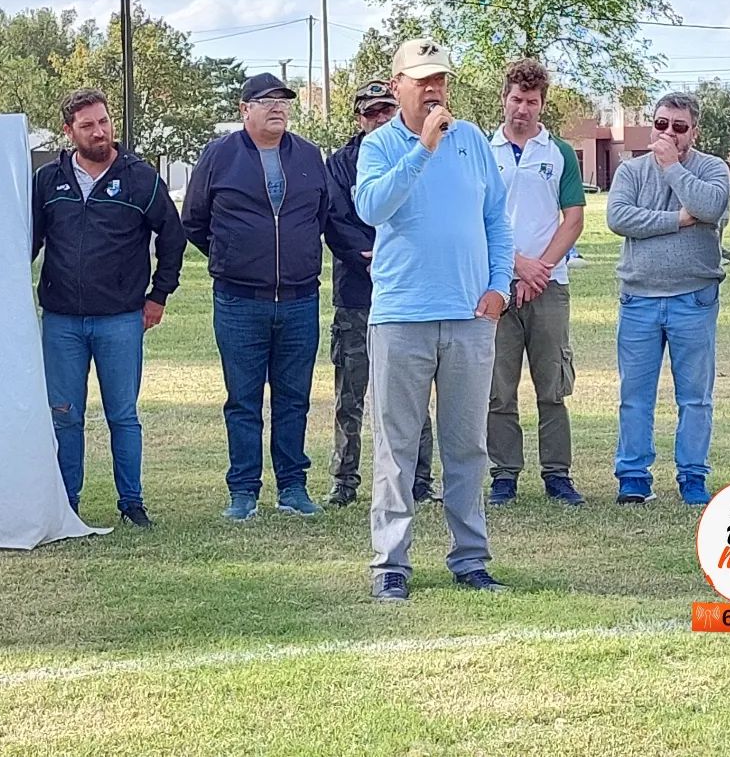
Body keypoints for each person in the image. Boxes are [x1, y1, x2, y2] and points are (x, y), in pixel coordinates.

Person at [356, 39, 514, 602]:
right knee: (397, 447)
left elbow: (496, 219)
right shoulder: (379, 145)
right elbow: (372, 207)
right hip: (402, 317)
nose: (432, 89)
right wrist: (423, 147)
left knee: (467, 445)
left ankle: (470, 558)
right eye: (421, 79)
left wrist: (499, 286)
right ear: (395, 85)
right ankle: (390, 564)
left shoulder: (471, 140)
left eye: (439, 79)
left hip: (470, 317)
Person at [32, 88, 185, 527]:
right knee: (64, 416)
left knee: (123, 415)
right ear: (68, 131)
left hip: (121, 318)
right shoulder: (47, 181)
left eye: (103, 121)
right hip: (61, 320)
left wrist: (159, 295)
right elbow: (29, 240)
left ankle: (131, 503)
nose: (99, 132)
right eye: (88, 126)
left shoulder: (140, 178)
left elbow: (172, 237)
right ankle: (66, 503)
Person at [183, 73, 330, 521]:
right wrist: (232, 256)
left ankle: (293, 487)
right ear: (244, 109)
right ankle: (243, 491)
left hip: (300, 299)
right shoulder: (219, 156)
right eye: (266, 101)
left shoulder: (309, 155)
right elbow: (194, 221)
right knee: (243, 400)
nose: (277, 107)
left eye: (283, 100)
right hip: (239, 300)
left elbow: (323, 215)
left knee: (294, 398)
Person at [605, 91, 729, 506]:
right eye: (661, 124)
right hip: (638, 298)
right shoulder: (631, 170)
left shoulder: (712, 168)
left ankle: (693, 476)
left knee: (695, 397)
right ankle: (633, 476)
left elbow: (709, 207)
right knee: (635, 396)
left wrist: (673, 167)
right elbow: (620, 218)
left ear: (694, 131)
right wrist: (678, 218)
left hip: (694, 298)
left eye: (679, 126)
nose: (669, 132)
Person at [323, 79, 437, 508]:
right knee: (350, 395)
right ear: (359, 118)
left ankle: (420, 481)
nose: (380, 117)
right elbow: (334, 219)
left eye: (386, 109)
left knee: (412, 394)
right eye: (371, 112)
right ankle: (344, 480)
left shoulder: (420, 151)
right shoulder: (340, 164)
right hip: (357, 292)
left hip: (408, 291)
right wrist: (368, 257)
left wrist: (392, 253)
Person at [486, 58, 586, 507]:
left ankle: (557, 474)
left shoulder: (558, 151)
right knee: (498, 388)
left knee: (553, 386)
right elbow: (476, 220)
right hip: (496, 284)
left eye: (531, 101)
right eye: (515, 99)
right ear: (503, 99)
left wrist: (539, 269)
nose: (522, 109)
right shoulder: (483, 151)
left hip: (549, 284)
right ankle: (504, 473)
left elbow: (573, 219)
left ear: (542, 104)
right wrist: (516, 266)